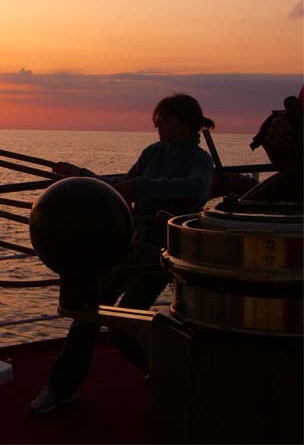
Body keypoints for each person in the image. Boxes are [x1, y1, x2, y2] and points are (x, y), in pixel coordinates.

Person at [30, 93, 215, 415]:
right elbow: (122, 186)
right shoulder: (152, 153)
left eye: (166, 120)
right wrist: (81, 177)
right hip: (126, 247)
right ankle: (59, 389)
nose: (158, 126)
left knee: (122, 327)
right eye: (158, 120)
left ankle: (167, 374)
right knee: (87, 314)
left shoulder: (200, 161)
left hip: (160, 254)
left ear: (186, 124)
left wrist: (141, 187)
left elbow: (194, 190)